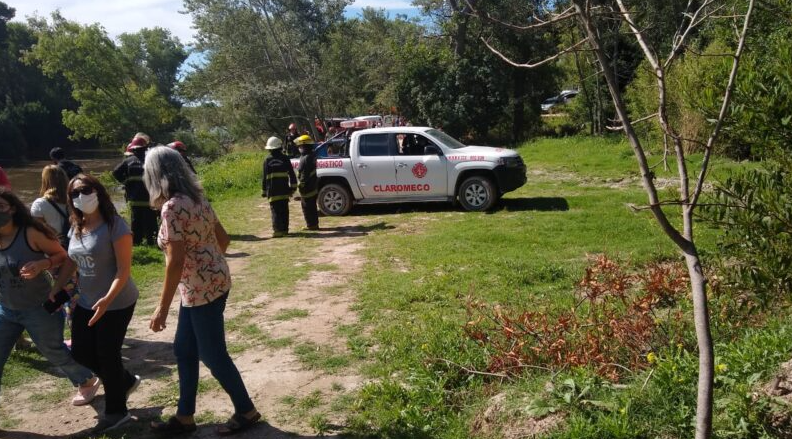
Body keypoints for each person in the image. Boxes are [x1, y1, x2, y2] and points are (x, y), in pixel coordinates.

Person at [144, 147, 260, 436]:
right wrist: (207, 264)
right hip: (212, 283)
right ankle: (185, 417)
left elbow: (175, 261)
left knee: (212, 355)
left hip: (199, 291)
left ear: (155, 175)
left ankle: (246, 410)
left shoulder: (171, 207)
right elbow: (223, 239)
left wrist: (161, 308)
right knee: (184, 350)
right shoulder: (197, 199)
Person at [50, 175, 140, 433]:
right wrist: (56, 289)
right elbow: (71, 261)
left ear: (98, 192)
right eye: (74, 193)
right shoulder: (76, 225)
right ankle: (124, 381)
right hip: (88, 301)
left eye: (85, 190)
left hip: (117, 301)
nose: (80, 196)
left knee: (107, 355)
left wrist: (107, 300)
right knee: (80, 352)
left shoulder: (115, 225)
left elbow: (123, 271)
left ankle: (116, 412)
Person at [0, 188, 100, 406]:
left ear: (13, 209)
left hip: (39, 306)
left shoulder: (30, 232)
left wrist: (41, 264)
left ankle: (87, 379)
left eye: (1, 207)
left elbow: (64, 256)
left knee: (53, 350)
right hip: (6, 309)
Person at [113, 137, 157, 245]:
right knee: (150, 220)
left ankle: (136, 242)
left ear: (133, 149)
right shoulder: (151, 161)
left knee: (136, 221)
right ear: (145, 148)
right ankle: (151, 241)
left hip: (135, 198)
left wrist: (125, 181)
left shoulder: (128, 161)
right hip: (149, 198)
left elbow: (115, 172)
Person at [262, 137, 296, 238]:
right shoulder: (285, 158)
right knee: (284, 210)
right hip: (284, 190)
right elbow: (292, 174)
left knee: (275, 211)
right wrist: (293, 188)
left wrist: (264, 191)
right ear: (280, 147)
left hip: (272, 191)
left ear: (270, 149)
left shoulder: (267, 160)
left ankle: (278, 231)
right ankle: (285, 230)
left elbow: (264, 177)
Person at [30, 165, 71, 247]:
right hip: (74, 244)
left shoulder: (39, 204)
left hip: (53, 247)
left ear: (45, 181)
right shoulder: (74, 199)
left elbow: (36, 230)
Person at [294, 135, 319, 231]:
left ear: (305, 146)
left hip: (307, 187)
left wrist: (301, 186)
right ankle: (313, 225)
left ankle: (311, 225)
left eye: (300, 146)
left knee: (307, 208)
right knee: (312, 206)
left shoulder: (306, 158)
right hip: (312, 186)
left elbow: (304, 174)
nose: (299, 148)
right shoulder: (310, 155)